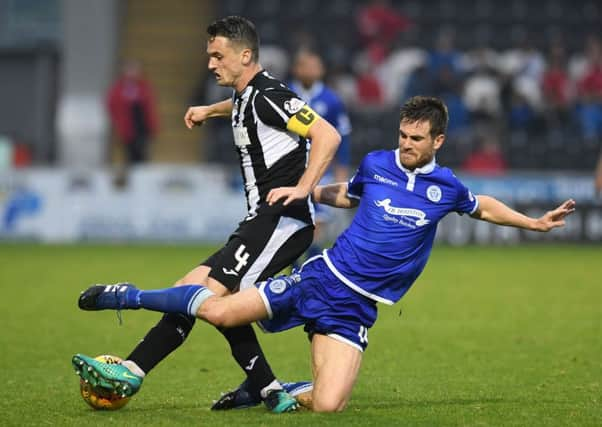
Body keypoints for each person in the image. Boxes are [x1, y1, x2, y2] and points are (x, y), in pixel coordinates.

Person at [73, 96, 575, 412]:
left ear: (438, 140)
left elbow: (481, 206)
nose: (405, 145)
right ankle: (128, 295)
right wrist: (305, 191)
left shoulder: (446, 188)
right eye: (402, 135)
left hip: (357, 308)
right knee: (223, 310)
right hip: (322, 277)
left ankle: (274, 392)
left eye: (416, 139)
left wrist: (533, 222)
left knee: (329, 405)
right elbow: (347, 193)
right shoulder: (379, 165)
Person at [74, 15, 341, 414]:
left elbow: (327, 134)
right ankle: (264, 388)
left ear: (245, 55)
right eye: (209, 56)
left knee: (213, 299)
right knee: (191, 289)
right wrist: (208, 111)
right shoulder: (247, 96)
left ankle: (128, 316)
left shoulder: (269, 94)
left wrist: (304, 189)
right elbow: (241, 105)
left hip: (282, 223)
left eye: (219, 56)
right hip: (259, 222)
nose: (211, 63)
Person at [288, 49, 352, 264]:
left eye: (317, 67)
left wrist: (341, 167)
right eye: (308, 66)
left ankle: (307, 267)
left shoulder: (331, 100)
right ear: (297, 69)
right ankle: (295, 266)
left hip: (320, 167)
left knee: (319, 221)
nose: (314, 71)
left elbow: (342, 134)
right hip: (289, 167)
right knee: (292, 222)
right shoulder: (285, 94)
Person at [107, 59, 159, 164]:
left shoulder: (144, 86)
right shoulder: (118, 88)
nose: (132, 72)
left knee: (142, 154)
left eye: (134, 69)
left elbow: (150, 107)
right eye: (129, 69)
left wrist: (152, 125)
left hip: (142, 125)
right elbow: (112, 104)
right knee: (130, 154)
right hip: (127, 126)